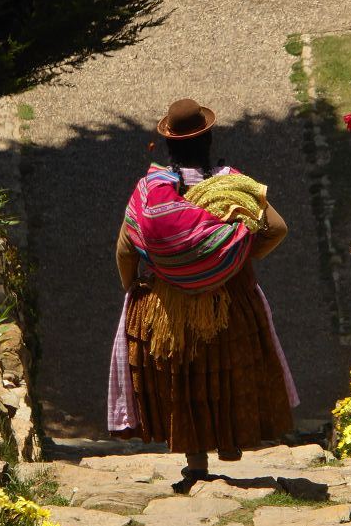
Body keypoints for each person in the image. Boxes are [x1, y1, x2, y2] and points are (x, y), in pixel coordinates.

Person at [112, 98, 297, 485]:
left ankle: (196, 465)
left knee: (184, 379)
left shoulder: (151, 190)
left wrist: (134, 287)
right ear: (209, 139)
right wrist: (238, 255)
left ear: (169, 145)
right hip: (230, 299)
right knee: (227, 367)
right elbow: (277, 228)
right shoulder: (231, 183)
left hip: (169, 307)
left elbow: (125, 248)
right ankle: (229, 441)